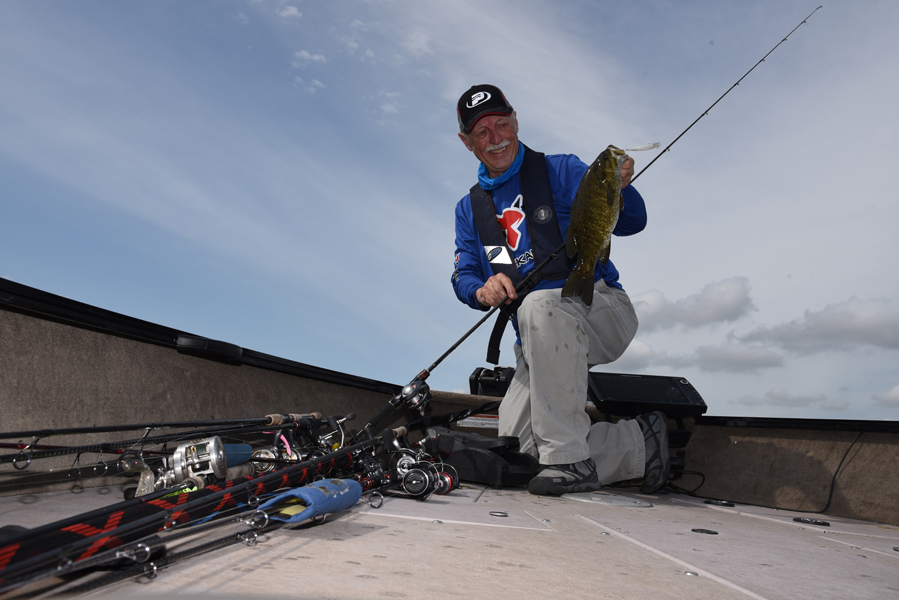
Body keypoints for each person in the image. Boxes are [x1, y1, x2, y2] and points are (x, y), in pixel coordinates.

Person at [451, 84, 670, 496]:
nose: (496, 138)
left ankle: (570, 459)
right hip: (535, 344)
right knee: (521, 459)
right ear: (467, 142)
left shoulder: (562, 169)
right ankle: (640, 443)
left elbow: (632, 222)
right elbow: (462, 275)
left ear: (516, 122)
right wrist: (481, 290)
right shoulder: (469, 210)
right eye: (482, 132)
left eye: (502, 124)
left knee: (537, 306)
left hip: (601, 306)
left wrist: (620, 185)